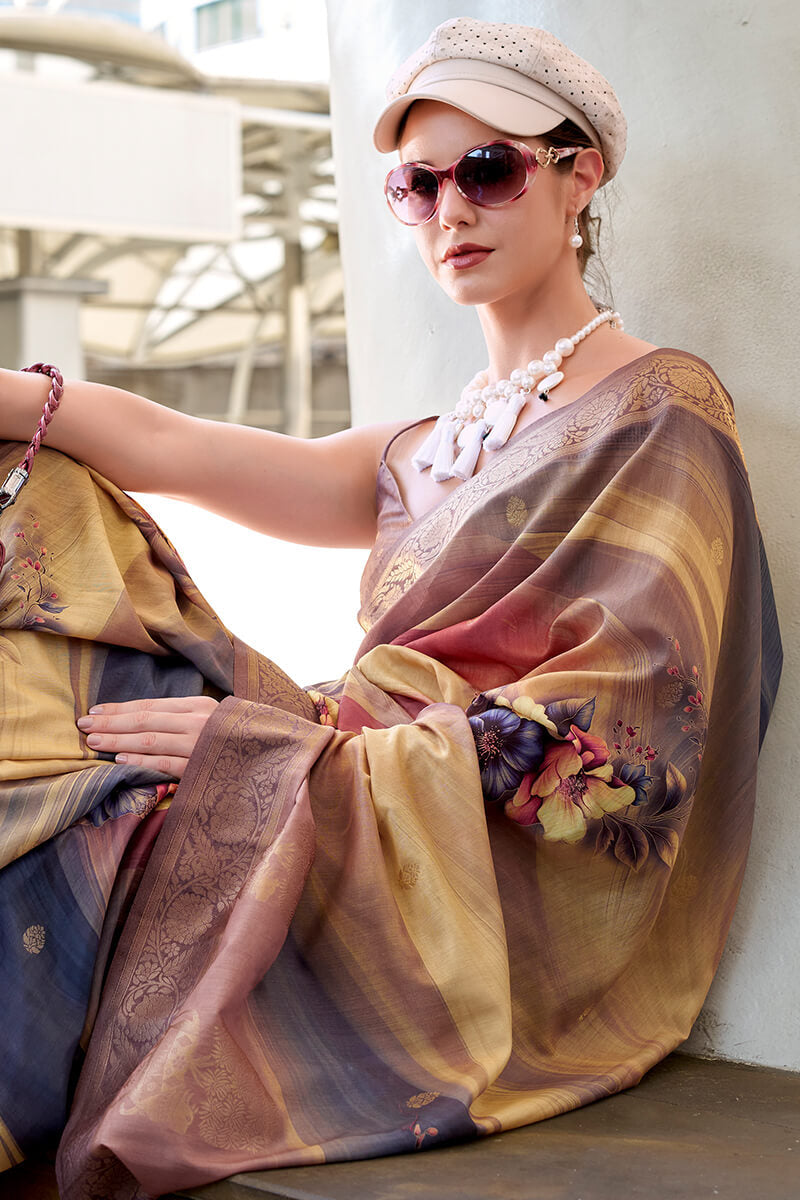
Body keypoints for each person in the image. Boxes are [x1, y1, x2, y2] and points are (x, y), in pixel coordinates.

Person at [0, 17, 781, 1200]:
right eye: (416, 186)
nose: (448, 211)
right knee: (43, 498)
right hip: (326, 759)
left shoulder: (657, 415)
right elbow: (173, 444)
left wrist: (277, 756)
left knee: (87, 832)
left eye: (487, 170)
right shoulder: (420, 453)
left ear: (578, 175)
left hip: (437, 858)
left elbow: (618, 748)